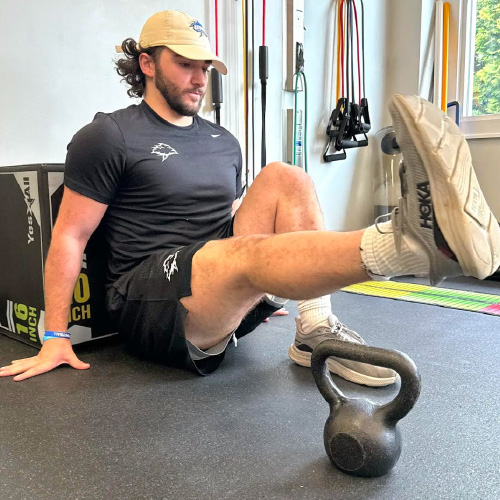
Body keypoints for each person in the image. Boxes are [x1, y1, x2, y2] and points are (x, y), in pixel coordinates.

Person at [1, 10, 499, 384]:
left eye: (205, 68)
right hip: (148, 302)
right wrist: (55, 336)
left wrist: (272, 278)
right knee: (240, 253)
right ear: (147, 63)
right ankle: (407, 243)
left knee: (286, 175)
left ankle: (315, 327)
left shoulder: (223, 141)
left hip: (215, 283)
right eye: (185, 65)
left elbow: (236, 217)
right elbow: (70, 235)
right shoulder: (109, 135)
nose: (200, 79)